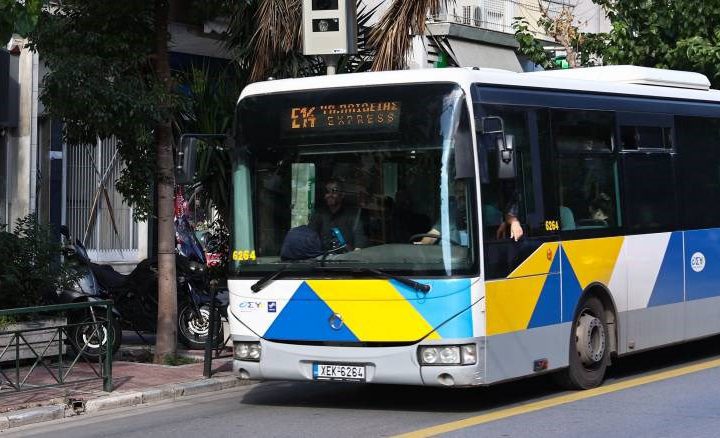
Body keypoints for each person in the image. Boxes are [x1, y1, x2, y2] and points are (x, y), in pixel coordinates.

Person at [308, 179, 368, 251]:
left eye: (334, 191)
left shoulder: (353, 216)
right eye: (327, 192)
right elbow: (309, 237)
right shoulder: (318, 214)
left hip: (346, 256)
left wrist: (356, 251)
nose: (330, 195)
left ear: (342, 195)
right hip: (322, 256)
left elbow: (359, 240)